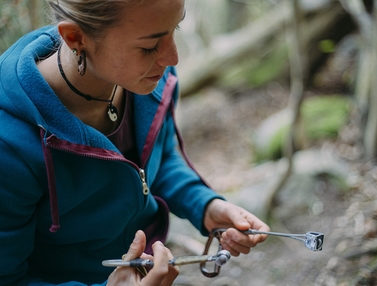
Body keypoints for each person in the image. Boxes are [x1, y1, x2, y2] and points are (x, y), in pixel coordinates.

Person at [0, 0, 270, 285]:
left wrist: (204, 206)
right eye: (149, 47)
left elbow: (158, 159)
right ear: (76, 38)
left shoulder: (146, 79)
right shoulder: (10, 146)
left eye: (174, 29)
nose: (172, 58)